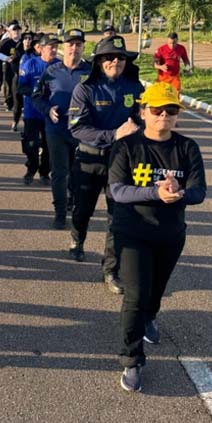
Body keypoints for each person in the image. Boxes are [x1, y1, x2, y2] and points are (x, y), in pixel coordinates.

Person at [109, 82, 206, 392]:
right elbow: (117, 190)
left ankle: (151, 315)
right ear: (143, 112)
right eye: (157, 110)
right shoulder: (127, 146)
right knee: (135, 296)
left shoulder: (187, 147)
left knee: (156, 290)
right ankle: (132, 359)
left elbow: (199, 191)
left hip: (170, 234)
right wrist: (154, 191)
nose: (164, 115)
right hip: (133, 233)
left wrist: (180, 193)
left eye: (171, 110)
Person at [68, 35, 144, 294]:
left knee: (118, 218)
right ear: (99, 61)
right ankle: (77, 239)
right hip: (90, 160)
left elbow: (141, 120)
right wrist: (113, 135)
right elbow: (77, 129)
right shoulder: (85, 89)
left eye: (121, 58)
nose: (115, 62)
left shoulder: (135, 87)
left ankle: (110, 270)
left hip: (122, 163)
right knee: (83, 210)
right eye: (109, 57)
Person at [32, 29, 91, 230]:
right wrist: (48, 110)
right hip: (56, 129)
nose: (74, 48)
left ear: (83, 47)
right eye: (70, 44)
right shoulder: (51, 72)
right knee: (59, 172)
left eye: (78, 44)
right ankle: (59, 213)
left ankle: (71, 201)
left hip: (83, 131)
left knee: (78, 173)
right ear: (63, 47)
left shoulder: (91, 72)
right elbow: (37, 97)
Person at [17, 34, 56, 185]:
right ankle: (31, 168)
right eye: (50, 47)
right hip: (32, 112)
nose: (53, 50)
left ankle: (45, 172)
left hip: (51, 114)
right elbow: (21, 87)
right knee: (31, 145)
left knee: (48, 145)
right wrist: (37, 92)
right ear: (41, 48)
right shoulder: (30, 64)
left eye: (55, 47)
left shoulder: (59, 65)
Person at [0, 22, 21, 118]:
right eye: (14, 30)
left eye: (18, 30)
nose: (17, 32)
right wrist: (7, 58)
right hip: (9, 67)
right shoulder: (6, 42)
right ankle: (9, 103)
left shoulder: (23, 42)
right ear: (10, 32)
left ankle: (18, 104)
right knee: (9, 85)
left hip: (21, 68)